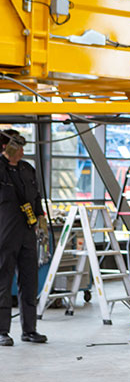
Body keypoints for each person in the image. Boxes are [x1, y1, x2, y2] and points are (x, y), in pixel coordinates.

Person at [0, 130, 47, 346]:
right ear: (5, 147)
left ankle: (30, 330)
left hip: (27, 233)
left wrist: (41, 217)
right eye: (17, 146)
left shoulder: (27, 169)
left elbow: (36, 196)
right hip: (4, 234)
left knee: (29, 282)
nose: (22, 151)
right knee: (3, 281)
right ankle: (2, 331)